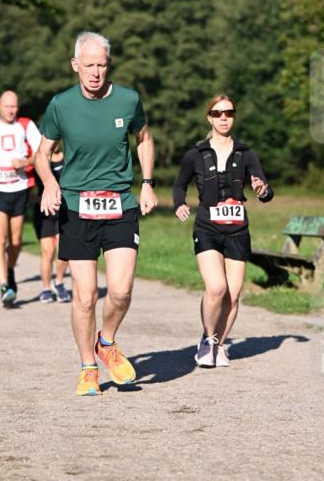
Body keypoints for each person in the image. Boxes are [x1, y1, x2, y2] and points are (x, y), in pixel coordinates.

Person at [36, 31, 158, 396]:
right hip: (76, 206)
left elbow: (144, 139)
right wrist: (49, 182)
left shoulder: (128, 99)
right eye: (88, 65)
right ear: (75, 65)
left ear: (109, 65)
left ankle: (106, 343)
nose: (95, 72)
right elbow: (42, 154)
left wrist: (147, 183)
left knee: (120, 291)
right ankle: (88, 368)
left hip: (120, 204)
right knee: (85, 294)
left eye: (101, 65)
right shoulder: (61, 105)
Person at [173, 93, 274, 367]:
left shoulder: (245, 154)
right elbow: (179, 184)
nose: (223, 118)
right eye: (217, 113)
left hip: (238, 229)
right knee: (217, 287)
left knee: (234, 293)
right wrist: (179, 203)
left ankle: (218, 345)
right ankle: (207, 340)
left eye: (228, 113)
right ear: (210, 118)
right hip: (207, 227)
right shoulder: (196, 154)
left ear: (234, 117)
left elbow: (266, 191)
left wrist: (262, 190)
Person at [0, 91, 41, 306]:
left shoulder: (26, 125)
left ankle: (10, 269)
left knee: (16, 241)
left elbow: (42, 152)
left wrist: (25, 162)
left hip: (20, 187)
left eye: (14, 106)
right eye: (7, 106)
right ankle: (4, 286)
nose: (11, 110)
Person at [32, 142, 71, 303]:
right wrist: (39, 198)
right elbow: (30, 187)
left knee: (63, 250)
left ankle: (59, 283)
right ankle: (46, 289)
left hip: (65, 210)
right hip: (45, 211)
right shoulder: (39, 159)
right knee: (47, 252)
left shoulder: (69, 158)